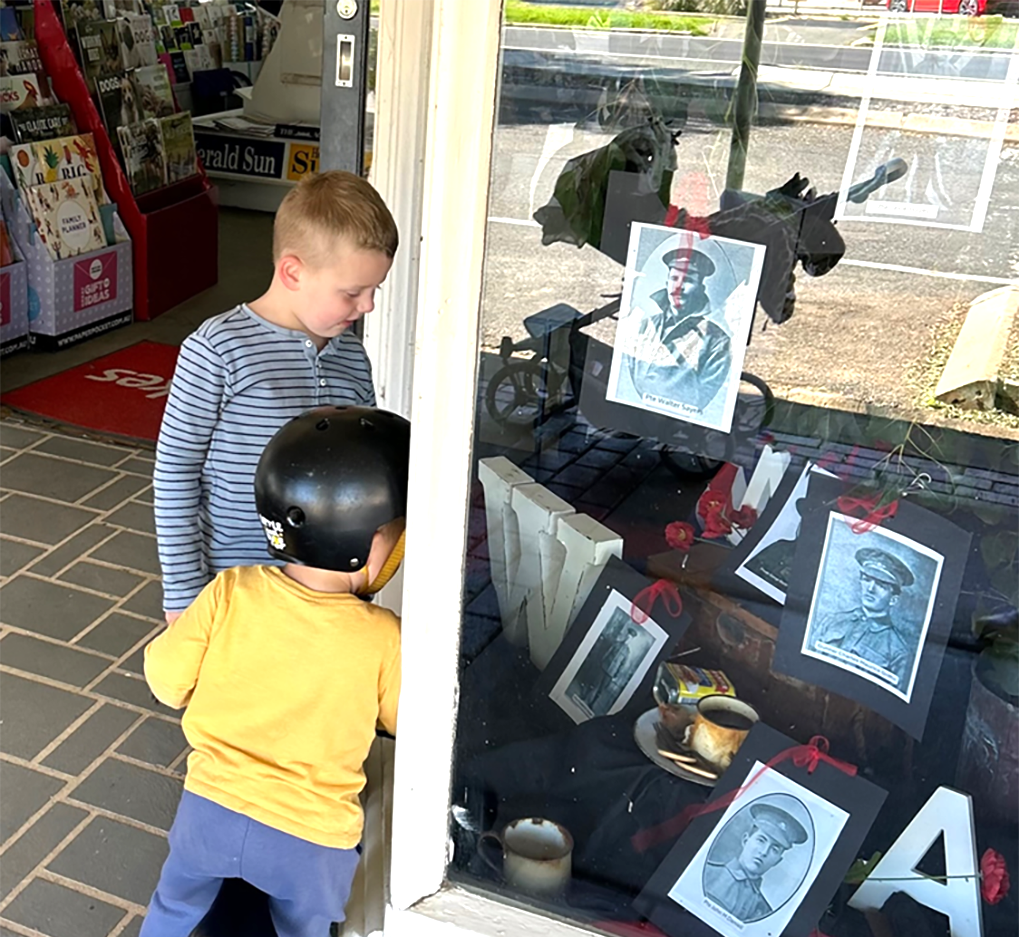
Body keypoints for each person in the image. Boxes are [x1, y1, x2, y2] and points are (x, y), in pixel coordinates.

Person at [140, 405, 410, 937]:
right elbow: (405, 722)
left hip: (208, 814)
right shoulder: (384, 636)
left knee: (173, 909)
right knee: (304, 928)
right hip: (311, 841)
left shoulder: (229, 591)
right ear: (371, 540)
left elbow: (166, 682)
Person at [154, 171, 398, 623]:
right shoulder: (217, 351)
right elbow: (175, 474)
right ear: (292, 272)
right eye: (352, 293)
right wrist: (184, 593)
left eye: (374, 290)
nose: (367, 306)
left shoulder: (352, 357)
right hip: (234, 590)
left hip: (329, 597)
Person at [623, 247, 731, 413]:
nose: (678, 287)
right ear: (667, 284)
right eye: (674, 278)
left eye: (687, 280)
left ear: (701, 289)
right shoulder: (643, 326)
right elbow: (625, 377)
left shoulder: (717, 342)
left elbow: (703, 401)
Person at [814, 547, 916, 686]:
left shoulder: (898, 652)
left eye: (881, 585)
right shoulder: (833, 621)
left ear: (893, 599)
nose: (870, 588)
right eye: (867, 579)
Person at [703, 802, 809, 922]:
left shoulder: (764, 912)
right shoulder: (708, 874)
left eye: (774, 849)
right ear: (745, 840)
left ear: (777, 861)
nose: (764, 852)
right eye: (761, 840)